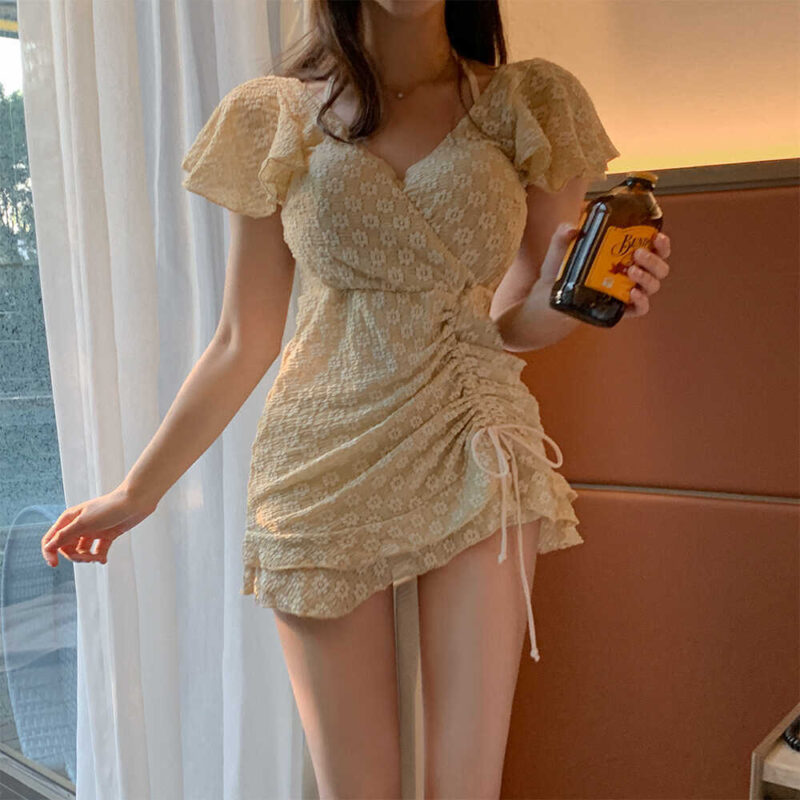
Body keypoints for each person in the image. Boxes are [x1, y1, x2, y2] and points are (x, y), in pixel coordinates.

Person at [40, 0, 672, 796]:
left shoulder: (529, 102)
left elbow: (516, 322)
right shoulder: (274, 115)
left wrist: (564, 294)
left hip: (474, 431)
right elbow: (242, 338)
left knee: (465, 787)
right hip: (321, 456)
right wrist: (137, 492)